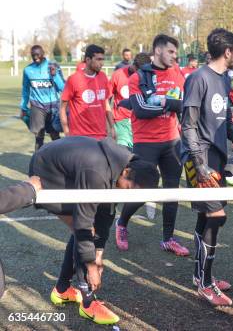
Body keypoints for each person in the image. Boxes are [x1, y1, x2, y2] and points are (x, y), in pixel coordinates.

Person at [30, 136, 159, 325]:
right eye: (130, 189)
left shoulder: (123, 166)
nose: (129, 195)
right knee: (83, 230)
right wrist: (91, 267)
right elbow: (83, 226)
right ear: (127, 172)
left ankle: (62, 289)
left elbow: (107, 215)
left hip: (69, 167)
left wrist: (98, 255)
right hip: (46, 173)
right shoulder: (97, 173)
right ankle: (88, 304)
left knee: (92, 230)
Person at [181, 28, 233, 306]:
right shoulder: (198, 78)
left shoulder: (224, 79)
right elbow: (187, 125)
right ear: (228, 52)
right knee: (215, 217)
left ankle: (201, 276)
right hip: (200, 159)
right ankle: (206, 284)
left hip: (218, 159)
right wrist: (199, 165)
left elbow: (228, 122)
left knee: (206, 218)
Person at [115, 34, 189, 256]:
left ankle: (168, 239)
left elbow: (185, 105)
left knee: (172, 191)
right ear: (157, 51)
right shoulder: (138, 77)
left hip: (172, 141)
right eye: (171, 52)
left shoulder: (177, 74)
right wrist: (171, 105)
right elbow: (140, 111)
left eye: (176, 52)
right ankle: (122, 223)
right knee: (142, 191)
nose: (175, 56)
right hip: (146, 143)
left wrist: (166, 103)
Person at [59, 44, 114, 140]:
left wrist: (112, 127)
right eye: (98, 59)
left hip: (101, 136)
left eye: (102, 59)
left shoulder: (103, 77)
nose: (102, 63)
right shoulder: (73, 79)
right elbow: (63, 107)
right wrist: (67, 132)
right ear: (88, 60)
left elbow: (106, 103)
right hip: (79, 137)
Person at [20, 45, 65, 150]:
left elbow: (62, 87)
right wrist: (23, 106)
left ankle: (60, 159)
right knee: (39, 135)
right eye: (33, 55)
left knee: (54, 134)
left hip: (53, 105)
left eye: (37, 54)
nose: (35, 57)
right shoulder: (28, 70)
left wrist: (55, 75)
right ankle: (38, 162)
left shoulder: (53, 66)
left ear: (43, 53)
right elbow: (25, 89)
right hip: (37, 105)